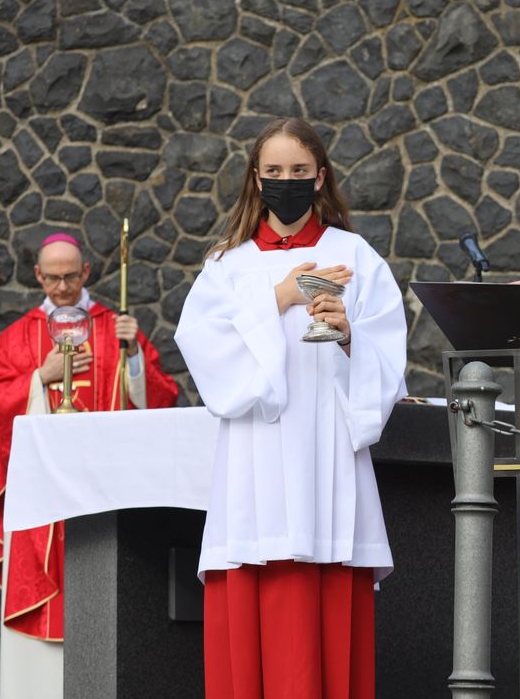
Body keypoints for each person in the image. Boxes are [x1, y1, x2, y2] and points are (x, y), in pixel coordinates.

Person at [174, 118, 407, 699]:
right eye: (274, 172)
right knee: (258, 588)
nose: (286, 182)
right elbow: (202, 347)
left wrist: (351, 335)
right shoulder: (228, 264)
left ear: (320, 177)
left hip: (326, 448)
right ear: (256, 179)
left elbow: (388, 357)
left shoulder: (354, 255)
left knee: (323, 598)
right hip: (255, 453)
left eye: (299, 172)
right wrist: (283, 295)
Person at [0, 232, 180, 698]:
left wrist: (133, 355)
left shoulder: (115, 328)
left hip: (105, 497)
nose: (62, 287)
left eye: (71, 276)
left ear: (86, 273)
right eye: (52, 278)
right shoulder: (17, 340)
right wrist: (40, 377)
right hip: (44, 507)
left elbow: (160, 400)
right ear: (38, 276)